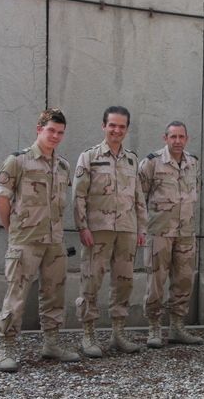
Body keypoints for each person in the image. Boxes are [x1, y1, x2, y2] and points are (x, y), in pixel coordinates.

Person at [0, 108, 80, 372]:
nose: (55, 136)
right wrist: (12, 231)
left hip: (54, 242)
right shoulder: (17, 161)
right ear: (39, 129)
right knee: (16, 295)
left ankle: (51, 343)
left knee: (54, 294)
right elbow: (1, 200)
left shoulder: (63, 165)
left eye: (60, 132)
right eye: (51, 130)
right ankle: (7, 348)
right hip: (25, 241)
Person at [73, 106, 147, 356]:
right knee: (91, 281)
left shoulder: (131, 159)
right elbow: (79, 195)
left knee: (124, 282)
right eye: (112, 125)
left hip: (126, 229)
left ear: (127, 129)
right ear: (104, 126)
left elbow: (138, 197)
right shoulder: (90, 157)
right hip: (98, 230)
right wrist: (82, 226)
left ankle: (118, 333)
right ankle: (88, 334)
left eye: (122, 126)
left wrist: (141, 228)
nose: (117, 130)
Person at [138, 121, 203, 348]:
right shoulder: (151, 163)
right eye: (173, 136)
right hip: (159, 233)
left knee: (184, 280)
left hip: (185, 233)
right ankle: (154, 327)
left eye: (181, 137)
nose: (177, 141)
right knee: (156, 282)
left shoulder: (193, 162)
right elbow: (139, 197)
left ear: (187, 139)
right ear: (165, 138)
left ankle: (177, 326)